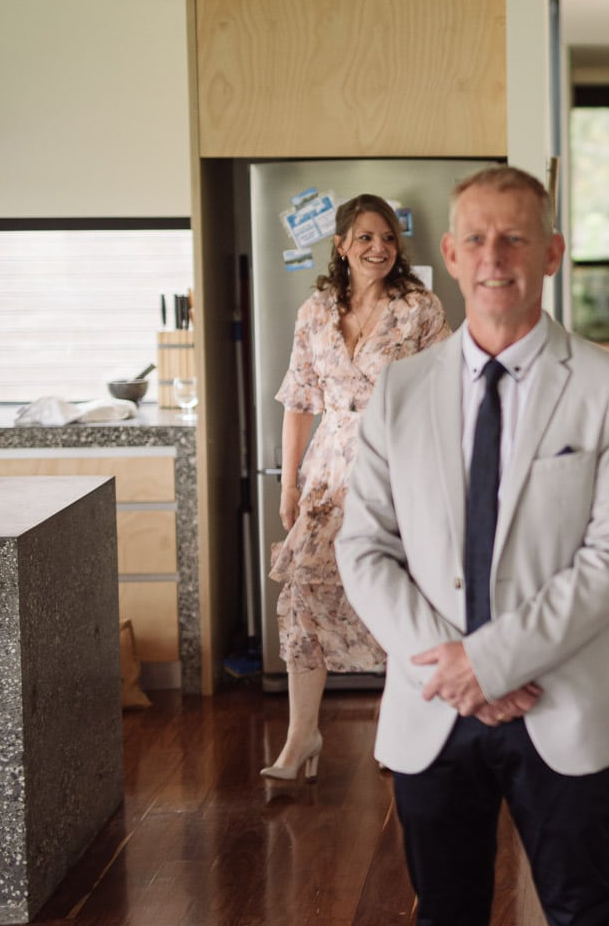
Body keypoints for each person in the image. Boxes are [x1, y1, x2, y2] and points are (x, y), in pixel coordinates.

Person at [336, 165, 609, 926]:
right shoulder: (401, 389)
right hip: (432, 708)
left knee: (584, 906)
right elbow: (365, 547)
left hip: (566, 702)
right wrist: (456, 670)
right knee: (446, 911)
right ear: (448, 253)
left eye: (514, 238)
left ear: (550, 251)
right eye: (477, 239)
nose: (494, 257)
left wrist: (491, 661)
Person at [262, 193, 451, 781]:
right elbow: (298, 403)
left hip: (399, 468)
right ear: (341, 245)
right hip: (326, 475)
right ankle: (301, 738)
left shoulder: (419, 308)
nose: (379, 248)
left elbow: (449, 394)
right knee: (302, 599)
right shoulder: (314, 313)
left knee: (399, 599)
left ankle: (403, 736)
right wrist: (288, 484)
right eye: (366, 238)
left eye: (389, 238)